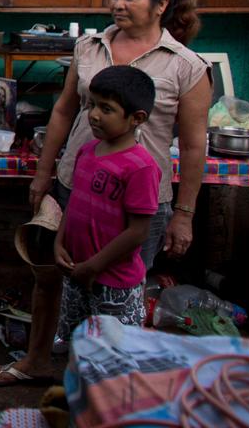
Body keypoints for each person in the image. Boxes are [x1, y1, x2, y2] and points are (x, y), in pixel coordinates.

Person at [0, 0, 211, 387]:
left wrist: (184, 213)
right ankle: (38, 360)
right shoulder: (89, 47)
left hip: (139, 200)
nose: (117, 4)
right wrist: (43, 174)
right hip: (75, 185)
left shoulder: (186, 66)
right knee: (50, 276)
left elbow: (195, 145)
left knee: (117, 290)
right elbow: (63, 112)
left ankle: (107, 386)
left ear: (161, 4)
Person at [53, 66, 159, 338]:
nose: (94, 115)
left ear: (136, 118)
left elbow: (138, 231)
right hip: (77, 272)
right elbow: (74, 204)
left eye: (106, 109)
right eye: (92, 105)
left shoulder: (141, 167)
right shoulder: (87, 151)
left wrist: (94, 265)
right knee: (78, 342)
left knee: (114, 350)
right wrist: (59, 242)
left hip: (114, 284)